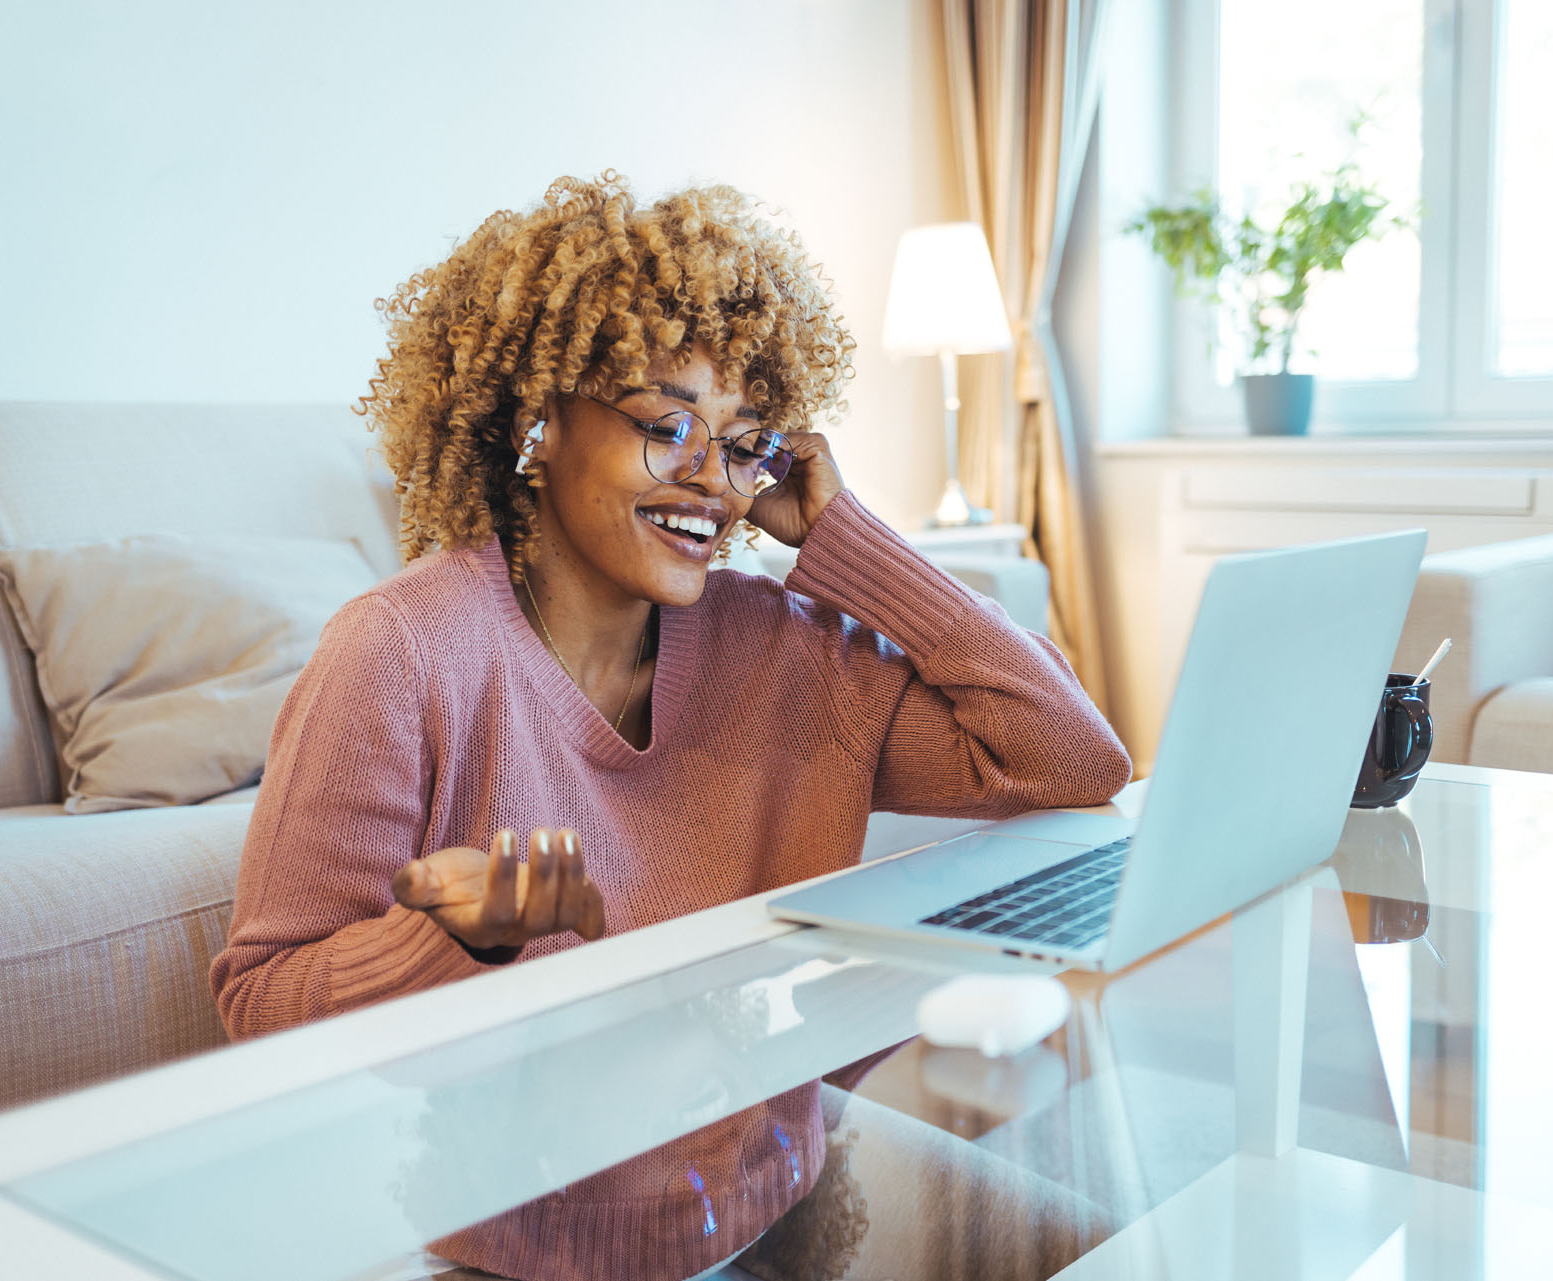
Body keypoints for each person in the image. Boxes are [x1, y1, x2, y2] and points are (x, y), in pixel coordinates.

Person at [207, 173, 1131, 1281]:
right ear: (541, 420)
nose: (713, 483)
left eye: (743, 444)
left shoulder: (784, 649)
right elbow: (261, 1000)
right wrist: (454, 941)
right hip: (521, 1244)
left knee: (1121, 1250)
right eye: (667, 426)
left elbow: (1072, 757)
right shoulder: (399, 653)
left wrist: (842, 532)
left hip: (780, 1194)